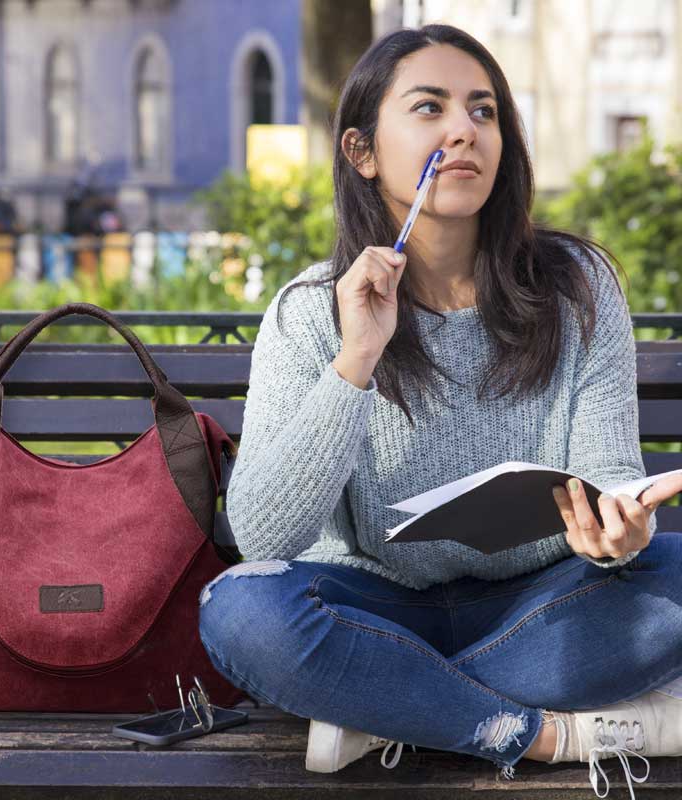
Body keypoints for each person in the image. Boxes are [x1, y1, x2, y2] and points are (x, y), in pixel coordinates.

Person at [197, 24, 682, 799]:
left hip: (541, 606)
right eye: (430, 107)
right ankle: (541, 734)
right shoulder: (309, 312)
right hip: (372, 609)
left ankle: (382, 708)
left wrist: (617, 535)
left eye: (483, 111)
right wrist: (357, 357)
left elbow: (608, 479)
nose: (464, 130)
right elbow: (262, 535)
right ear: (362, 153)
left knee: (675, 572)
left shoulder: (579, 287)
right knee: (241, 610)